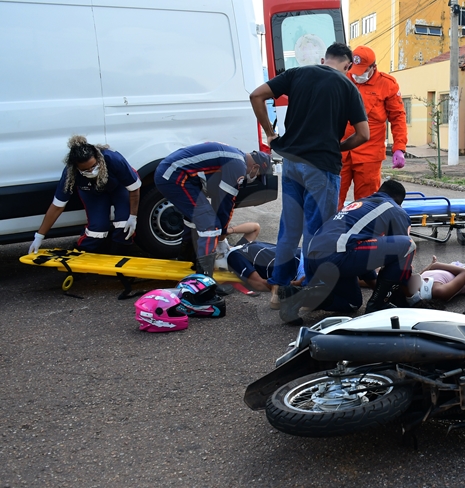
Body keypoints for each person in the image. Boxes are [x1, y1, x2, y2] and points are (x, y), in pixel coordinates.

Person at [248, 42, 370, 312]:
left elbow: (256, 96)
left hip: (292, 163)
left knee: (289, 230)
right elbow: (363, 134)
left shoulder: (297, 73)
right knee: (316, 233)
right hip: (321, 168)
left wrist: (270, 132)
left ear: (323, 59)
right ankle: (311, 294)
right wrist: (337, 146)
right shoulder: (349, 87)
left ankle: (278, 292)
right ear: (348, 66)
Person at [287, 180, 415, 323]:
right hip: (338, 255)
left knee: (351, 302)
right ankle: (377, 305)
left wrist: (378, 289)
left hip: (315, 257)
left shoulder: (362, 204)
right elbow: (402, 254)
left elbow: (364, 253)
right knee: (408, 245)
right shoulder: (395, 209)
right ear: (399, 201)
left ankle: (298, 296)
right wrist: (403, 298)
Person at [154, 142, 271, 276]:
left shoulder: (236, 155)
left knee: (198, 221)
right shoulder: (238, 166)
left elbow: (219, 199)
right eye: (257, 174)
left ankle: (187, 259)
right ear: (255, 167)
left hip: (172, 173)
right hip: (174, 176)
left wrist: (222, 233)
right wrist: (220, 236)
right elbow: (226, 203)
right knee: (210, 227)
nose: (254, 177)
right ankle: (203, 283)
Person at [29, 135, 142, 255]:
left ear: (98, 158)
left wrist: (133, 216)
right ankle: (83, 257)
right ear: (76, 168)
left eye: (94, 166)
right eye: (86, 170)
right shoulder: (70, 174)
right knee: (97, 230)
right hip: (93, 192)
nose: (92, 171)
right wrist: (39, 236)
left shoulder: (113, 159)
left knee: (124, 224)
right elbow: (57, 206)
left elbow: (134, 189)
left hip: (119, 187)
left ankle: (120, 256)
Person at [339, 45, 408, 206]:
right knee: (331, 200)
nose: (357, 75)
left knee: (367, 204)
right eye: (354, 69)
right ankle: (329, 231)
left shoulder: (387, 84)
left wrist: (399, 147)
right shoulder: (342, 79)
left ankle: (366, 233)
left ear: (373, 67)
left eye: (362, 70)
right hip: (340, 151)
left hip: (369, 155)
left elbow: (398, 117)